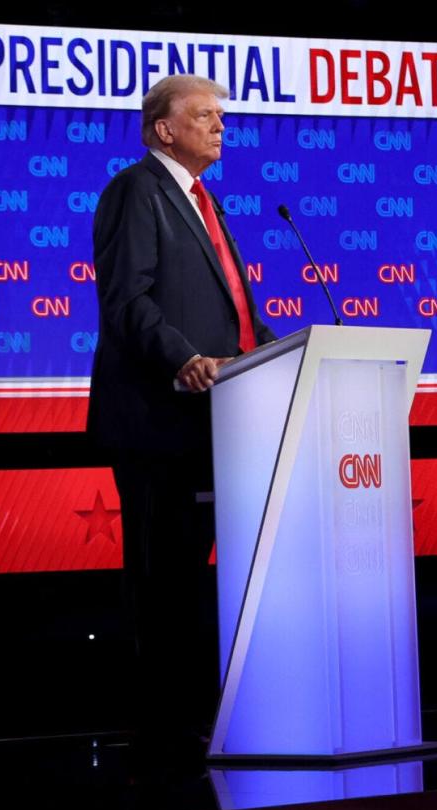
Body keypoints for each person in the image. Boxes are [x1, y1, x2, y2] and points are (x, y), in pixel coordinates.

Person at [87, 74, 276, 748]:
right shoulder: (137, 192)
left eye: (221, 116)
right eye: (205, 115)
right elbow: (128, 300)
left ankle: (201, 719)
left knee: (194, 582)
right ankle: (162, 731)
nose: (220, 126)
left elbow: (237, 310)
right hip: (158, 421)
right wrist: (183, 358)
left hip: (217, 420)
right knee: (163, 579)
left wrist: (288, 352)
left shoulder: (205, 202)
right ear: (164, 128)